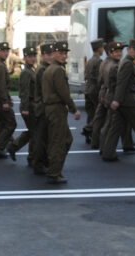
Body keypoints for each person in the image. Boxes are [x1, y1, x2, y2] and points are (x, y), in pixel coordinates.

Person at [102, 39, 135, 162]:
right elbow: (121, 84)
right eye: (134, 50)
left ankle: (108, 153)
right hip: (127, 101)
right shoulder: (128, 63)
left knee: (116, 126)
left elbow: (131, 82)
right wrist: (117, 100)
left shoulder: (127, 62)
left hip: (123, 100)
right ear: (129, 49)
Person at [42, 41, 81, 184]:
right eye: (61, 53)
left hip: (52, 108)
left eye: (65, 53)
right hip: (56, 109)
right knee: (58, 142)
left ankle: (53, 167)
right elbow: (64, 93)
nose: (64, 56)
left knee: (64, 140)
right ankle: (54, 172)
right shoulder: (57, 70)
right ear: (54, 54)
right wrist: (74, 109)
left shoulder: (50, 68)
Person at [97, 42, 135, 154]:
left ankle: (106, 148)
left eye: (120, 51)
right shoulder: (116, 66)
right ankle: (106, 149)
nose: (119, 54)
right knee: (112, 124)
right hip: (115, 97)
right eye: (116, 52)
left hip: (108, 95)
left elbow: (101, 82)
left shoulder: (105, 63)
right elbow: (121, 84)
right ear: (110, 53)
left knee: (113, 123)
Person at [7, 46, 37, 163]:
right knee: (34, 132)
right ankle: (30, 157)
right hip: (28, 105)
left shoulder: (31, 70)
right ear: (25, 58)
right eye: (30, 56)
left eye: (34, 56)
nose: (33, 59)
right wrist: (25, 108)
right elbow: (24, 91)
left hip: (31, 105)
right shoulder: (26, 72)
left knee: (33, 132)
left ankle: (14, 147)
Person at [0, 42, 16, 159]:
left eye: (7, 51)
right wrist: (5, 101)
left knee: (0, 125)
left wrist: (8, 98)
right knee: (11, 123)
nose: (6, 53)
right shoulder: (0, 66)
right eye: (3, 51)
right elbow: (1, 86)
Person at [31, 43, 53, 176]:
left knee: (44, 137)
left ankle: (42, 162)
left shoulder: (45, 68)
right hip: (42, 107)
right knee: (41, 138)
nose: (50, 57)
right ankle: (39, 164)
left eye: (52, 54)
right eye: (48, 55)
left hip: (43, 106)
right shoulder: (43, 70)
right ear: (43, 55)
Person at [82, 39, 104, 144]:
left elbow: (85, 75)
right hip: (95, 89)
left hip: (87, 88)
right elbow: (100, 78)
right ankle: (89, 129)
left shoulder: (90, 60)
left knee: (91, 113)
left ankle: (89, 135)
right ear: (99, 49)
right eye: (102, 48)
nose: (103, 49)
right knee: (99, 113)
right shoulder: (99, 61)